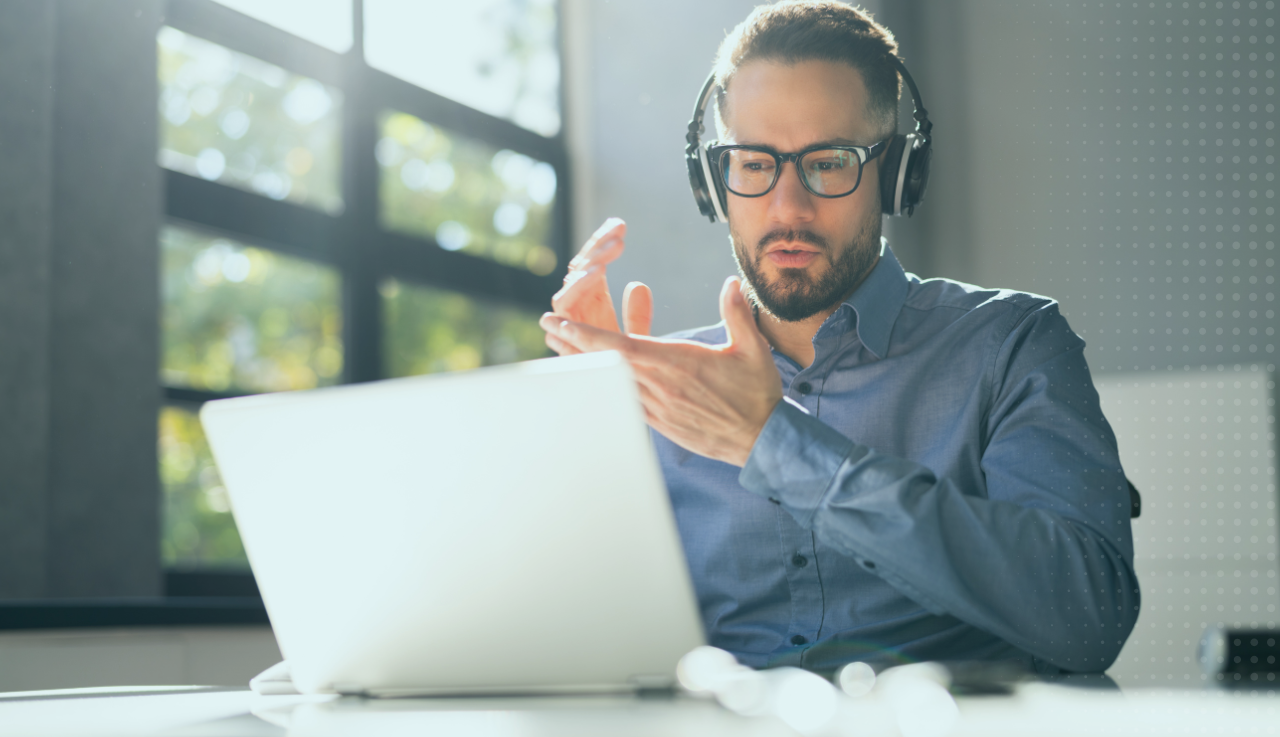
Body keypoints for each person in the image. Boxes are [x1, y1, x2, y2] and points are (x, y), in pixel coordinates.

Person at [540, 0, 1138, 675]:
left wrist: (772, 442)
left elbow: (1089, 620)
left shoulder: (1012, 344)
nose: (788, 206)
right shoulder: (660, 388)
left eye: (828, 162)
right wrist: (583, 432)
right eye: (754, 163)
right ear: (715, 182)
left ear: (894, 172)